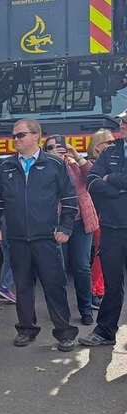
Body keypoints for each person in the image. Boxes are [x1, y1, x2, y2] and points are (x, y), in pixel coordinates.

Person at [0, 118, 79, 352]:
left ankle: (64, 333)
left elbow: (69, 199)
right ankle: (26, 329)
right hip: (17, 238)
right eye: (14, 136)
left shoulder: (54, 165)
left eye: (20, 135)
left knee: (54, 286)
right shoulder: (6, 167)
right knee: (23, 286)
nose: (15, 139)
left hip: (47, 238)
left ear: (35, 136)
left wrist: (66, 227)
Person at [80, 109, 127, 347]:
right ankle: (105, 331)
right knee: (112, 283)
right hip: (112, 228)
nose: (122, 124)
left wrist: (112, 179)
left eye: (126, 121)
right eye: (121, 121)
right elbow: (92, 182)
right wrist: (116, 186)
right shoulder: (110, 151)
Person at [43, 135, 98, 325]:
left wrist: (77, 155)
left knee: (82, 266)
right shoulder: (43, 169)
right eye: (50, 148)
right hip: (58, 225)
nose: (56, 150)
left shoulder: (74, 165)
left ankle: (86, 309)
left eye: (60, 147)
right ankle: (61, 312)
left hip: (81, 222)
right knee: (59, 268)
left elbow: (92, 175)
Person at [86, 129, 115, 309]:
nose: (113, 145)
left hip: (109, 215)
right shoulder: (92, 167)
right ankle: (96, 291)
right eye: (109, 142)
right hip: (99, 216)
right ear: (98, 147)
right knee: (101, 255)